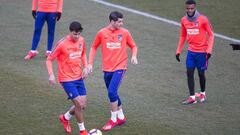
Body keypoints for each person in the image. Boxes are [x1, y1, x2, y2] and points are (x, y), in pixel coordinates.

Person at [88, 11, 138, 131]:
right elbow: (93, 47)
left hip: (120, 66)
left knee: (111, 92)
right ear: (112, 21)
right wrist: (90, 63)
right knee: (113, 92)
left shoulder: (125, 33)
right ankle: (121, 116)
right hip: (107, 68)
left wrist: (134, 56)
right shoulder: (101, 33)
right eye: (119, 21)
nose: (122, 23)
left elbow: (134, 46)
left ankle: (113, 119)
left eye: (122, 21)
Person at [46, 21, 89, 135]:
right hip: (66, 79)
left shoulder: (82, 40)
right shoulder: (62, 44)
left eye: (79, 34)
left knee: (83, 105)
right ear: (70, 32)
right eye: (75, 34)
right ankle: (82, 131)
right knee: (79, 104)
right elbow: (49, 59)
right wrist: (51, 74)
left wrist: (86, 66)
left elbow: (83, 54)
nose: (77, 36)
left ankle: (65, 118)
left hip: (78, 77)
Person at [176, 0, 214, 105]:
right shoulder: (183, 20)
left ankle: (203, 93)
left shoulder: (203, 19)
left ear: (195, 8)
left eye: (192, 8)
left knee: (201, 74)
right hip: (191, 52)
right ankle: (192, 97)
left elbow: (211, 35)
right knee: (189, 73)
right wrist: (178, 50)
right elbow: (183, 36)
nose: (190, 10)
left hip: (202, 52)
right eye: (188, 8)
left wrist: (209, 50)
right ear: (186, 9)